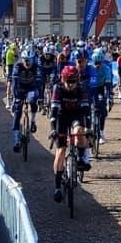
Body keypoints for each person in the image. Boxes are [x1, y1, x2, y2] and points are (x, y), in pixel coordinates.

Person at [48, 63, 89, 200]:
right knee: (60, 151)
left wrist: (87, 127)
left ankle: (82, 157)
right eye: (68, 81)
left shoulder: (81, 88)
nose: (71, 84)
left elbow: (85, 110)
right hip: (62, 116)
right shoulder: (58, 88)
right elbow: (53, 111)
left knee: (79, 131)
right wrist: (53, 129)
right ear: (62, 80)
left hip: (76, 115)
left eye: (73, 81)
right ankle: (57, 186)